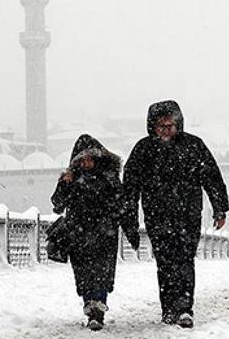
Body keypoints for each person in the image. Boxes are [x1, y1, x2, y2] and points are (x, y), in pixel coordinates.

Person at [122, 100, 229, 329]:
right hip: (157, 216)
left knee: (184, 260)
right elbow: (130, 187)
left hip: (187, 214)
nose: (166, 130)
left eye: (170, 125)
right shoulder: (143, 150)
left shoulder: (193, 146)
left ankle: (184, 308)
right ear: (153, 126)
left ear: (178, 124)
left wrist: (220, 207)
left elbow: (211, 176)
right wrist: (129, 218)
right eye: (161, 126)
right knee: (165, 261)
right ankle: (169, 308)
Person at [51, 134, 138, 331]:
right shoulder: (72, 180)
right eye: (82, 159)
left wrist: (130, 229)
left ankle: (97, 309)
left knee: (101, 273)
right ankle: (90, 306)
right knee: (83, 274)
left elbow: (122, 207)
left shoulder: (109, 179)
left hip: (104, 235)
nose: (87, 162)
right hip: (79, 235)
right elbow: (57, 204)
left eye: (90, 158)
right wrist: (64, 183)